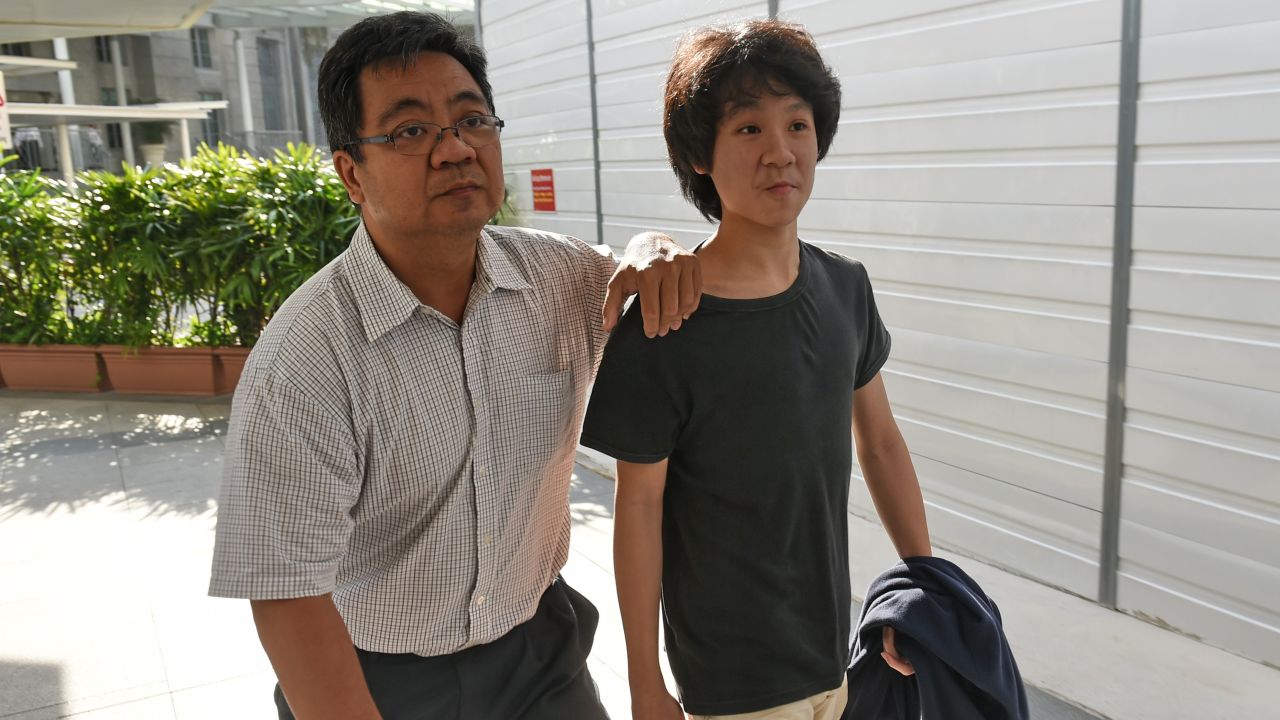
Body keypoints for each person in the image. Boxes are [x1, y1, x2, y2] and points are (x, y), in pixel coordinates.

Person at [208, 11, 699, 720]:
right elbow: (288, 593)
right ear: (351, 172)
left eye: (473, 119)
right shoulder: (308, 357)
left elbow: (638, 271)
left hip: (541, 658)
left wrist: (654, 246)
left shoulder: (560, 280)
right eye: (411, 131)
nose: (455, 150)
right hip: (379, 680)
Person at [580, 19, 933, 720]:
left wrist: (925, 590)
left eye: (798, 126)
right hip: (730, 678)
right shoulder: (664, 322)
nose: (780, 152)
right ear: (699, 155)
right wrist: (644, 681)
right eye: (748, 130)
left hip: (839, 650)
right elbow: (639, 509)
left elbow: (884, 444)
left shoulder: (846, 288)